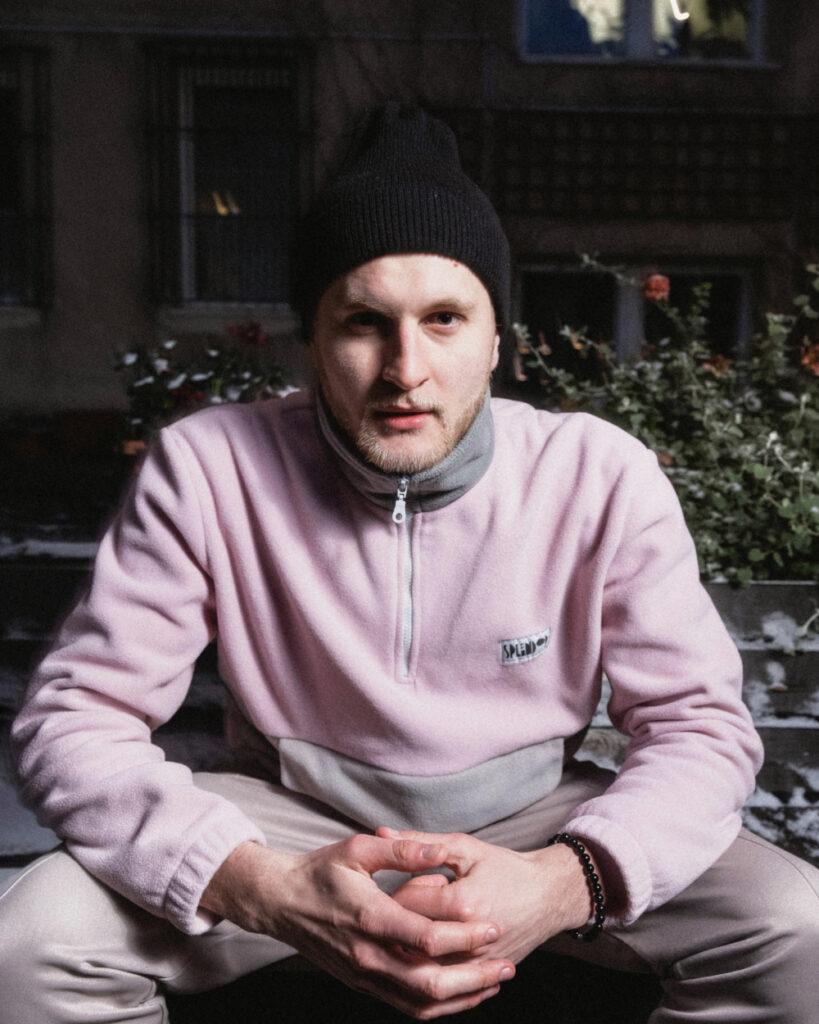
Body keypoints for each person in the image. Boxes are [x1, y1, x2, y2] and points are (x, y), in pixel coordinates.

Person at [1, 104, 817, 1023]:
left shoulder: (598, 473)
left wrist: (564, 882)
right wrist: (257, 885)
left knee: (797, 929)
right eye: (363, 322)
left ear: (496, 339)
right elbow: (77, 718)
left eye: (444, 319)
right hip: (290, 823)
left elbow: (699, 729)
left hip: (536, 823)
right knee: (28, 947)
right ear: (311, 341)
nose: (405, 369)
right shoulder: (208, 464)